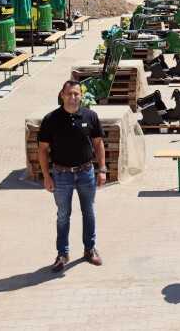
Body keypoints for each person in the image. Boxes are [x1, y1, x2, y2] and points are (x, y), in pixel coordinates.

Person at [38, 80, 106, 272]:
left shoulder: (90, 116)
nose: (73, 97)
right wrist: (46, 176)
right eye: (69, 94)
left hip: (86, 173)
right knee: (62, 215)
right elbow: (42, 150)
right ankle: (62, 254)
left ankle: (90, 249)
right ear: (62, 95)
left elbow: (99, 143)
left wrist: (102, 170)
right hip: (61, 175)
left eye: (76, 94)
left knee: (89, 212)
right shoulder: (51, 119)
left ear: (81, 96)